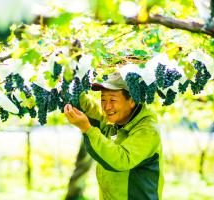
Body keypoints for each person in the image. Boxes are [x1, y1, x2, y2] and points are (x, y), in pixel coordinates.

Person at [64, 72, 163, 200]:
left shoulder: (147, 130)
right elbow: (87, 108)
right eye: (103, 99)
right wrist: (69, 79)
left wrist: (87, 129)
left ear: (132, 100)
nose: (107, 106)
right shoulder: (115, 124)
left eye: (113, 100)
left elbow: (121, 160)